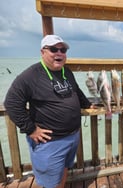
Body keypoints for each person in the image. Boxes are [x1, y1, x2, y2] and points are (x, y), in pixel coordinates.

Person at [4, 35, 94, 188]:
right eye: (54, 49)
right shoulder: (30, 75)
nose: (59, 53)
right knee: (50, 183)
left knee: (64, 170)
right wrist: (30, 129)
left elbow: (76, 91)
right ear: (42, 52)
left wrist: (87, 104)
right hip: (50, 142)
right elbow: (11, 103)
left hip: (72, 136)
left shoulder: (67, 71)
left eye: (63, 49)